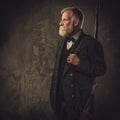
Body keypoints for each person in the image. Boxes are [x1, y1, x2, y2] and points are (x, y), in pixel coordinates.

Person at [50, 7, 106, 120]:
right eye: (61, 20)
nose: (60, 23)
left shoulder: (91, 43)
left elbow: (101, 69)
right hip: (59, 102)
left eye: (64, 20)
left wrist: (80, 63)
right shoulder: (61, 42)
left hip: (79, 105)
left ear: (75, 22)